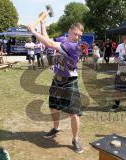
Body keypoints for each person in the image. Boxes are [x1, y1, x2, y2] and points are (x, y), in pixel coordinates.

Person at [27, 20, 84, 153]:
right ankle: (56, 128)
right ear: (70, 31)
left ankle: (75, 139)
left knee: (74, 113)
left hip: (70, 81)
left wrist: (33, 31)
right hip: (57, 80)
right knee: (53, 106)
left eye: (79, 36)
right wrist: (42, 24)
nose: (77, 37)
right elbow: (46, 39)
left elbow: (49, 44)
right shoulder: (63, 40)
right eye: (76, 34)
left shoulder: (74, 46)